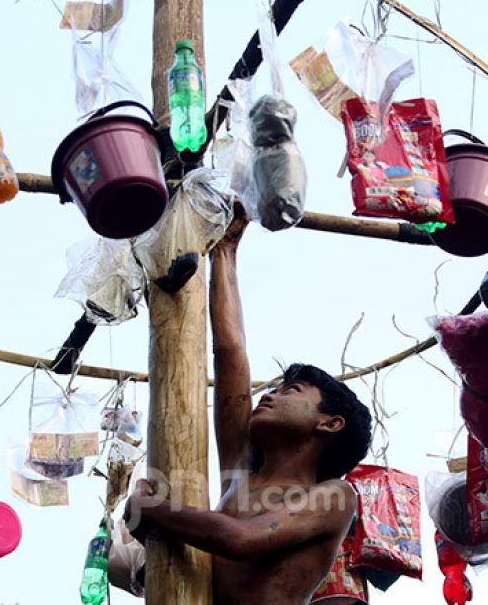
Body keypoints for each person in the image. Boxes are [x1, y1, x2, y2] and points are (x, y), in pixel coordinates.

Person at [125, 204, 373, 604]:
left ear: (329, 423)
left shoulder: (334, 497)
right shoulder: (239, 470)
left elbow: (239, 538)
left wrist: (153, 511)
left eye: (291, 391)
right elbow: (230, 352)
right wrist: (225, 248)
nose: (269, 395)